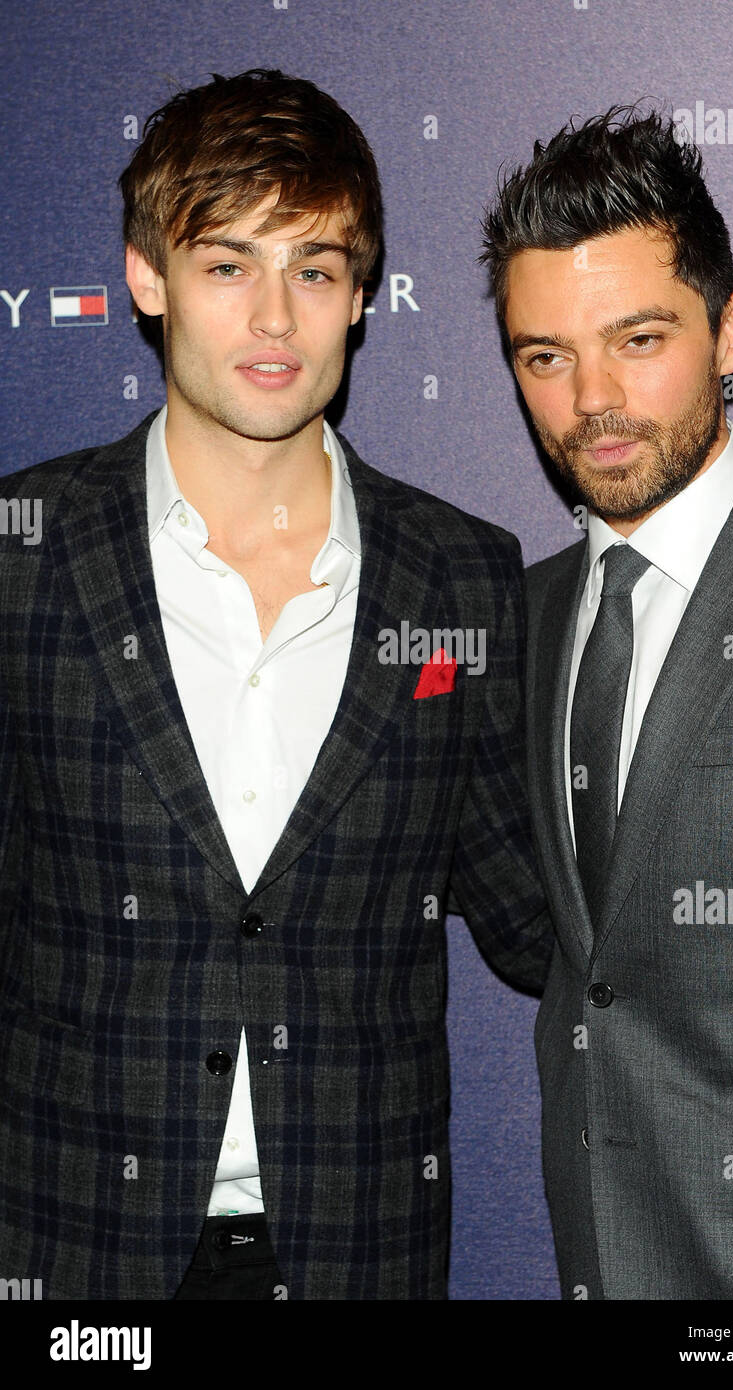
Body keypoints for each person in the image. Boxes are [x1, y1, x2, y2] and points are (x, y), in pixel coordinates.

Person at [0, 68, 551, 1301]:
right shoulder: (20, 555)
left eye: (313, 269)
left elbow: (538, 920)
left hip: (353, 1253)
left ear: (361, 298)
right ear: (147, 276)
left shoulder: (459, 577)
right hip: (62, 1247)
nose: (273, 320)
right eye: (228, 263)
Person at [481, 105, 733, 1300]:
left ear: (730, 328)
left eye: (636, 338)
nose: (591, 397)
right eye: (545, 356)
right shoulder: (521, 617)